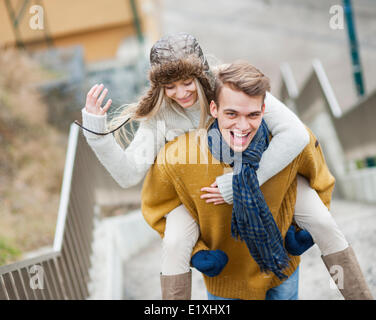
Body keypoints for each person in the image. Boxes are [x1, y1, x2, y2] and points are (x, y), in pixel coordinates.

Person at [80, 33, 311, 299]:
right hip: (203, 209)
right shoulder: (160, 117)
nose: (180, 93)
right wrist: (96, 132)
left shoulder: (231, 88)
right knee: (176, 243)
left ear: (200, 75)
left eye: (186, 82)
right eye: (169, 86)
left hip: (254, 192)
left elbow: (296, 134)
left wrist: (244, 182)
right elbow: (128, 173)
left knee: (315, 226)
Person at [141, 61, 373, 300]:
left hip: (282, 267)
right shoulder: (179, 156)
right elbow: (158, 205)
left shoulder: (290, 143)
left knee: (326, 226)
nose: (242, 126)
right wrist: (197, 252)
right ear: (213, 109)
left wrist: (302, 231)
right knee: (174, 244)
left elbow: (320, 179)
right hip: (227, 279)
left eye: (252, 114)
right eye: (231, 114)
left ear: (264, 111)